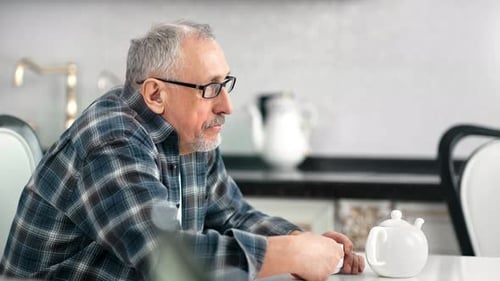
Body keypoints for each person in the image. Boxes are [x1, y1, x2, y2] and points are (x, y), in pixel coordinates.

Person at [0, 20, 364, 281]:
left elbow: (231, 214)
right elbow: (164, 258)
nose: (226, 105)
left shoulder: (194, 133)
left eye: (226, 84)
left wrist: (297, 239)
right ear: (156, 94)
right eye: (209, 88)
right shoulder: (112, 139)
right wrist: (289, 254)